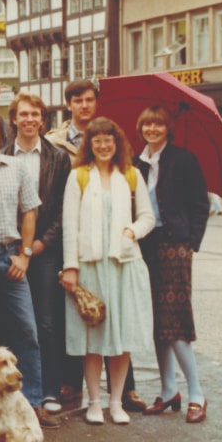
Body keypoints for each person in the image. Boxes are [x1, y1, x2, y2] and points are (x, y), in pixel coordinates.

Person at [60, 117, 155, 426]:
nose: (103, 146)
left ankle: (116, 402)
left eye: (108, 140)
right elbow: (69, 226)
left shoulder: (131, 175)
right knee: (94, 337)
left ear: (117, 144)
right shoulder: (78, 177)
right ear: (90, 144)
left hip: (123, 265)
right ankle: (94, 402)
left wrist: (131, 231)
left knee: (121, 337)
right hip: (90, 267)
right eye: (97, 140)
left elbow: (148, 217)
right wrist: (70, 267)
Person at [0, 110, 54, 428]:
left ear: (0, 137)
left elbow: (30, 211)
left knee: (26, 330)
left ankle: (32, 401)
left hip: (10, 257)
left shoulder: (15, 167)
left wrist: (25, 255)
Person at [134, 105, 210, 423]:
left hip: (175, 246)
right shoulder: (135, 163)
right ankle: (168, 390)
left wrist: (191, 241)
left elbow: (199, 203)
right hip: (145, 245)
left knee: (176, 318)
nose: (152, 129)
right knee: (155, 319)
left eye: (158, 124)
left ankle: (196, 393)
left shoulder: (184, 158)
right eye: (147, 124)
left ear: (167, 128)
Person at [2, 92, 74, 415]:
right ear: (14, 118)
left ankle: (47, 389)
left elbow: (62, 208)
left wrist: (42, 243)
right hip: (7, 247)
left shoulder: (58, 157)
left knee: (45, 322)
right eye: (23, 114)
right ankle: (10, 389)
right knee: (9, 321)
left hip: (43, 251)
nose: (29, 120)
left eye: (36, 115)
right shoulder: (1, 153)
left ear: (43, 120)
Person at [46, 79, 98, 157]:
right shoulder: (52, 143)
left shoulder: (109, 140)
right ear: (69, 105)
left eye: (89, 100)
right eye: (78, 101)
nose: (84, 106)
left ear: (96, 103)